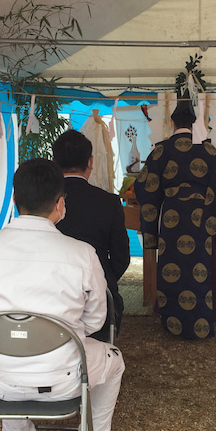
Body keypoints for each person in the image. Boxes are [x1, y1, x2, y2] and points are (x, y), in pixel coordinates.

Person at [0, 158, 125, 431]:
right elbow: (96, 321)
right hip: (65, 378)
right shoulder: (82, 254)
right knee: (113, 359)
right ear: (60, 204)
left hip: (0, 381)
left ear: (14, 198)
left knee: (7, 342)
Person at [133, 98, 216, 339]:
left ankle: (172, 324)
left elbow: (144, 186)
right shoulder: (209, 151)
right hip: (200, 218)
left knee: (172, 268)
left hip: (171, 218)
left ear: (172, 123)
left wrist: (157, 211)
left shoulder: (160, 150)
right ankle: (200, 324)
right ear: (195, 123)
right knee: (198, 270)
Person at [52, 130, 131, 341]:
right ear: (91, 162)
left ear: (53, 161)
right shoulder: (109, 202)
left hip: (51, 299)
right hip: (99, 301)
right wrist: (101, 280)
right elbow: (121, 258)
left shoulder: (44, 202)